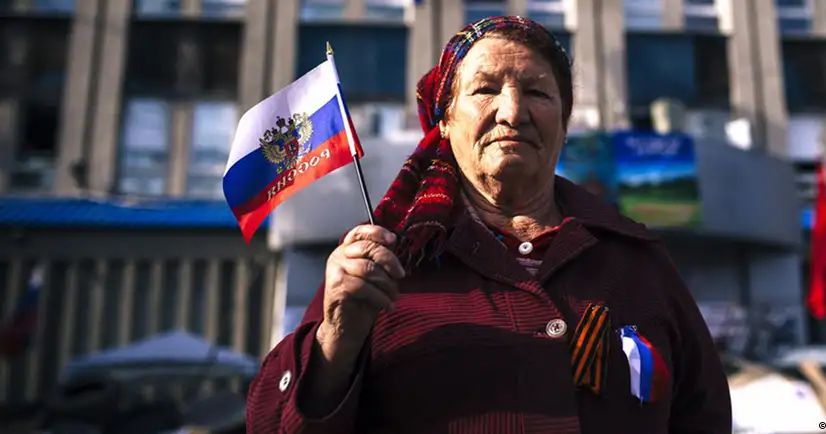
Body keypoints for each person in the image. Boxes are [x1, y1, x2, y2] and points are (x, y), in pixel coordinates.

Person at [246, 16, 731, 434]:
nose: (513, 112)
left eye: (537, 92)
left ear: (563, 123)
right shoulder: (384, 265)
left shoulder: (637, 261)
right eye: (485, 90)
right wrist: (337, 338)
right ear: (445, 120)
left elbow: (703, 415)